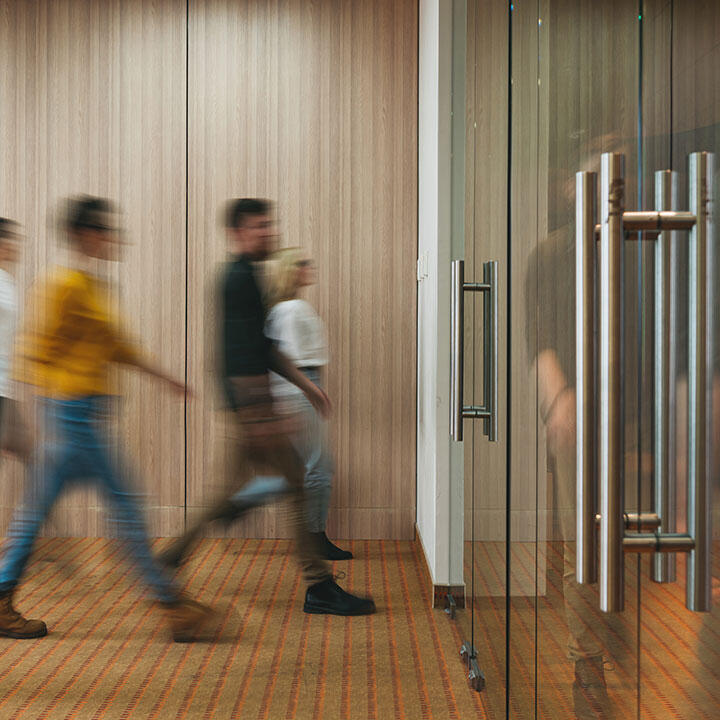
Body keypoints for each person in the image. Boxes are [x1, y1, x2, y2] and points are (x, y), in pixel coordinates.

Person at [0, 197, 211, 642]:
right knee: (126, 506)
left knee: (36, 511)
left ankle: (2, 595)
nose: (113, 238)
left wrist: (164, 377)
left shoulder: (93, 285)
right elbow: (32, 350)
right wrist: (48, 406)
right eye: (105, 230)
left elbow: (117, 346)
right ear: (85, 234)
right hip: (72, 417)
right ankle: (172, 605)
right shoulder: (61, 284)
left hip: (81, 416)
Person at [160, 198, 374, 615]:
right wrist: (260, 415)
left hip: (250, 409)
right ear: (237, 232)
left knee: (234, 491)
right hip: (250, 410)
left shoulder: (249, 278)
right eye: (259, 226)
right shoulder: (236, 280)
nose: (269, 232)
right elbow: (236, 356)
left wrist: (306, 387)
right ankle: (318, 585)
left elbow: (265, 348)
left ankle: (173, 554)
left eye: (269, 225)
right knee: (294, 483)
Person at [229, 247, 352, 560]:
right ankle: (314, 537)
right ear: (290, 271)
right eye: (302, 263)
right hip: (301, 389)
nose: (309, 267)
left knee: (300, 470)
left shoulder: (284, 308)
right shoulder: (291, 310)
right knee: (318, 467)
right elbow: (289, 360)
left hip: (300, 388)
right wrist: (310, 391)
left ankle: (240, 500)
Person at [0, 218, 31, 462]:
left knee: (27, 449)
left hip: (4, 384)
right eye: (11, 239)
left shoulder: (7, 282)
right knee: (27, 449)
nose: (16, 245)